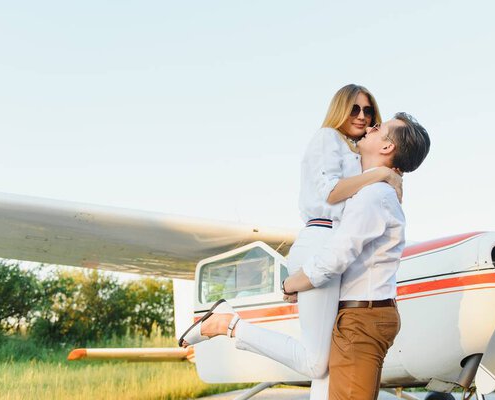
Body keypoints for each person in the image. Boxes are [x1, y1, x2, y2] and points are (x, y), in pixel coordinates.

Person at [179, 84, 402, 399]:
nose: (362, 116)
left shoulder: (357, 151)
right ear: (340, 109)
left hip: (334, 246)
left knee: (328, 360)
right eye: (354, 108)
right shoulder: (328, 138)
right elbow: (331, 192)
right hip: (321, 240)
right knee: (315, 362)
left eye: (368, 110)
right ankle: (227, 324)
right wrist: (380, 175)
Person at [283, 113, 431, 399]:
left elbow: (336, 255)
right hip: (362, 314)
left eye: (380, 128)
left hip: (362, 318)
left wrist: (291, 284)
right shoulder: (376, 190)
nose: (371, 126)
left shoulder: (373, 196)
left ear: (387, 148)